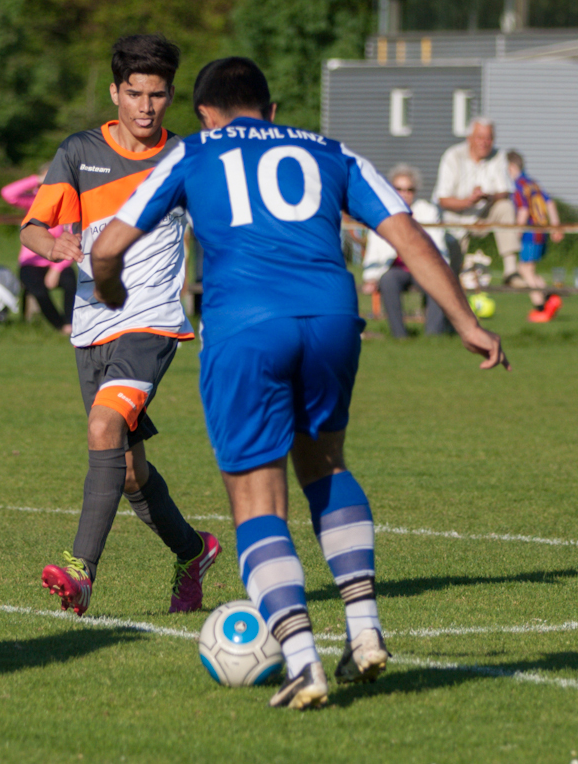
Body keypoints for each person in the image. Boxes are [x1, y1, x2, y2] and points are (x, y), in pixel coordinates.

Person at [91, 57, 508, 710]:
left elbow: (108, 245)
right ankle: (364, 629)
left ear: (204, 114)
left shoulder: (193, 152)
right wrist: (465, 321)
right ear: (272, 110)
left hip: (246, 326)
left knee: (256, 496)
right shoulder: (331, 152)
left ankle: (302, 660)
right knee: (326, 463)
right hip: (332, 319)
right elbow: (408, 234)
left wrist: (111, 289)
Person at [20, 34, 220, 617]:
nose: (145, 107)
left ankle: (81, 570)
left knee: (104, 424)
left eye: (157, 95)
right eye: (135, 94)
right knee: (130, 472)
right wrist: (53, 244)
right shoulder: (78, 152)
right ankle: (193, 551)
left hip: (152, 323)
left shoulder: (186, 159)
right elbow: (32, 228)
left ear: (171, 96)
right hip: (91, 326)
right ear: (115, 92)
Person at [360, 164, 453, 338]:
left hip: (424, 268)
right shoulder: (381, 211)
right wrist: (370, 277)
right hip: (396, 269)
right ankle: (399, 336)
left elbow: (438, 243)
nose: (404, 193)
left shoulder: (428, 211)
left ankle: (433, 336)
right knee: (388, 280)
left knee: (438, 281)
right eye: (399, 189)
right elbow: (374, 247)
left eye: (410, 189)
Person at [432, 118, 522, 284]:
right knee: (449, 276)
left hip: (482, 216)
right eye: (480, 137)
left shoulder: (499, 156)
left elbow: (506, 191)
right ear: (469, 138)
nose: (484, 142)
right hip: (453, 220)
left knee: (505, 207)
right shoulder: (453, 156)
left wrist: (487, 197)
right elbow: (442, 199)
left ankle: (511, 271)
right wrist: (469, 201)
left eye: (489, 138)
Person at [1, 166, 76, 334]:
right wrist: (37, 179)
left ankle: (71, 323)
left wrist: (56, 270)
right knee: (39, 291)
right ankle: (59, 325)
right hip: (31, 262)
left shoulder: (67, 204)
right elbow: (8, 193)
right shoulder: (34, 202)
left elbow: (73, 237)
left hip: (57, 260)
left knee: (71, 282)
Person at [508, 150, 565, 323]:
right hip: (541, 231)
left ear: (511, 167)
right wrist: (555, 226)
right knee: (527, 269)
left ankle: (542, 306)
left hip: (530, 232)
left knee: (525, 270)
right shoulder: (533, 183)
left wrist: (517, 231)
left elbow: (524, 209)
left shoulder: (519, 185)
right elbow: (550, 203)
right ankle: (550, 298)